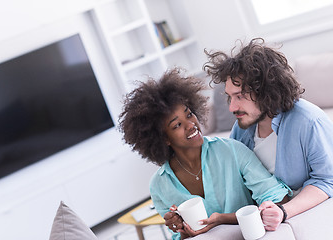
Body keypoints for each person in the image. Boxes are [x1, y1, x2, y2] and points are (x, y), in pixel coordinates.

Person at [118, 68, 290, 240]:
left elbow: (277, 201)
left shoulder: (231, 151)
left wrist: (222, 219)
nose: (191, 125)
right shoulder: (160, 185)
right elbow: (182, 238)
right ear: (164, 139)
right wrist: (181, 229)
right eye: (177, 125)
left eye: (189, 115)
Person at [203, 38, 333, 231]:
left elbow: (326, 179)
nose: (232, 107)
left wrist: (282, 211)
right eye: (229, 97)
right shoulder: (241, 129)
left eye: (240, 96)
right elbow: (235, 182)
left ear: (266, 91)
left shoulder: (308, 121)